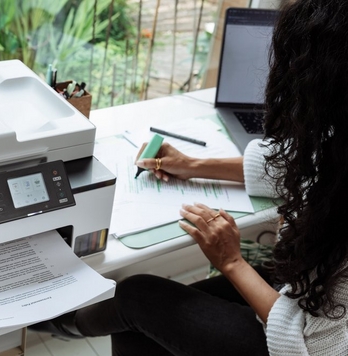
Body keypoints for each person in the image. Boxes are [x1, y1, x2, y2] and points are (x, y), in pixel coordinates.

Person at [30, 0, 348, 354]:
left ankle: (66, 323)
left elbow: (315, 347)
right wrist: (193, 166)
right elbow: (312, 166)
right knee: (138, 322)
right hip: (301, 300)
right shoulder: (339, 143)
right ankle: (71, 322)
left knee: (136, 296)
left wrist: (230, 261)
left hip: (295, 343)